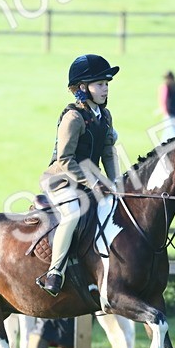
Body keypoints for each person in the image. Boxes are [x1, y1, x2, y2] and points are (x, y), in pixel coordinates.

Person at [37, 53, 120, 297]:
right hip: (61, 180)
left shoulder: (105, 116)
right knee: (73, 214)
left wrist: (116, 184)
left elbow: (107, 152)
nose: (105, 89)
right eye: (99, 84)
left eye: (106, 84)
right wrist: (94, 183)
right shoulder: (73, 117)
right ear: (83, 87)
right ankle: (55, 272)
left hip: (87, 181)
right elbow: (65, 161)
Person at [159, 70, 175, 139]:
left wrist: (165, 111)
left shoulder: (166, 86)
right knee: (172, 131)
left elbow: (163, 99)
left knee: (169, 132)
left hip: (170, 112)